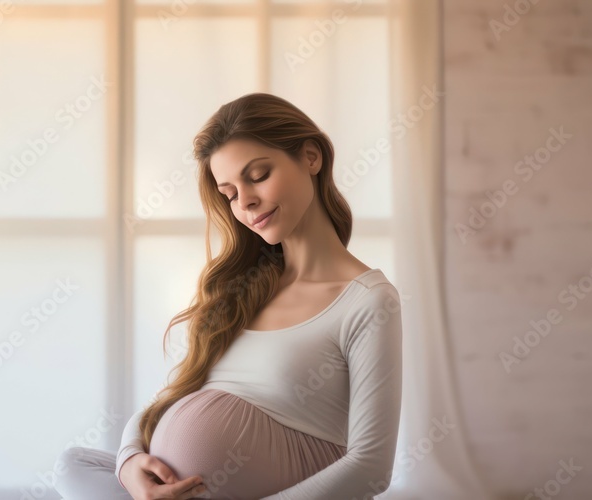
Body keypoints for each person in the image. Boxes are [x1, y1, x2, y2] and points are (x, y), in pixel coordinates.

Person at [53, 92, 403, 500]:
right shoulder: (243, 289)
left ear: (311, 157)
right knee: (72, 464)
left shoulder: (367, 301)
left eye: (257, 175)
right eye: (230, 193)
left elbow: (371, 467)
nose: (246, 201)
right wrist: (130, 462)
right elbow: (170, 400)